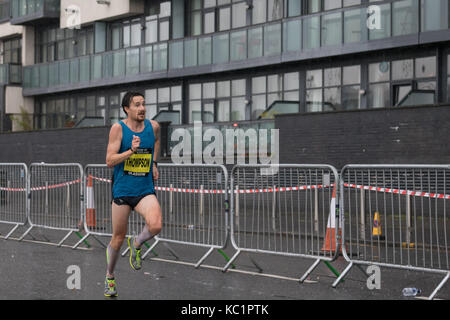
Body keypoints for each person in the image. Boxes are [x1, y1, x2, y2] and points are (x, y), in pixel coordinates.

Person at [104, 91, 162, 297]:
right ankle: (110, 276)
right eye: (137, 105)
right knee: (117, 239)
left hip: (144, 189)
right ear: (126, 109)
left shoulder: (153, 127)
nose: (142, 108)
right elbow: (109, 160)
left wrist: (154, 163)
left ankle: (136, 244)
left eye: (144, 104)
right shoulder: (118, 129)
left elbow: (156, 141)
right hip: (123, 190)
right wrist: (130, 151)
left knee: (156, 224)